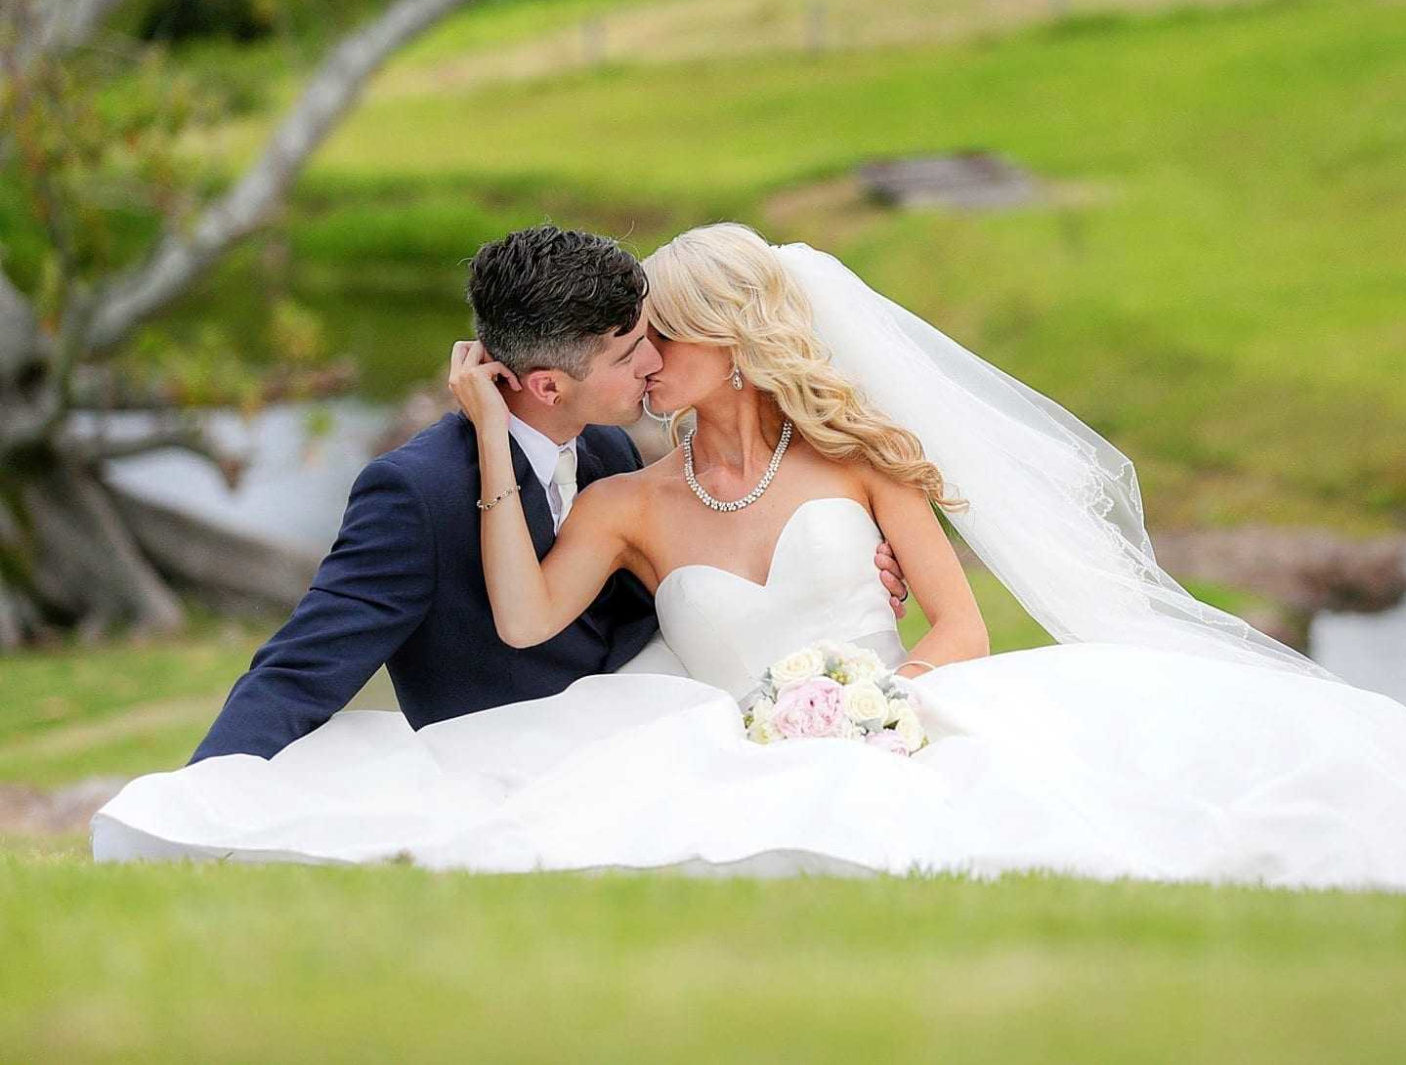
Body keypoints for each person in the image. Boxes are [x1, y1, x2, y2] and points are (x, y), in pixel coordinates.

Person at [94, 226, 1406, 911]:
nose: (643, 376)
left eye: (659, 349)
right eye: (622, 359)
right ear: (542, 382)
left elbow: (951, 611)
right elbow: (489, 619)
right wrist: (222, 765)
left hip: (862, 705)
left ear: (712, 348)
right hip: (660, 725)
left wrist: (881, 690)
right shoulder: (566, 480)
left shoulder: (789, 450)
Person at [176, 224, 910, 764]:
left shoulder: (606, 449)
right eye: (629, 354)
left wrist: (843, 578)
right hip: (507, 769)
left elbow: (666, 600)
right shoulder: (416, 492)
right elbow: (300, 667)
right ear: (549, 384)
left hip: (664, 745)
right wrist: (205, 789)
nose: (653, 361)